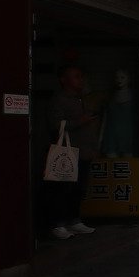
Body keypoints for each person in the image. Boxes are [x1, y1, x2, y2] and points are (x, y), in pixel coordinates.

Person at [45, 64, 100, 239]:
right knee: (62, 189)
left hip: (83, 151)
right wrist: (79, 121)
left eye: (81, 76)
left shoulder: (82, 98)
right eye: (76, 76)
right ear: (63, 80)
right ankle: (57, 223)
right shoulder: (59, 99)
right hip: (67, 153)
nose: (80, 80)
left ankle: (74, 220)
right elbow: (55, 124)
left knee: (78, 188)